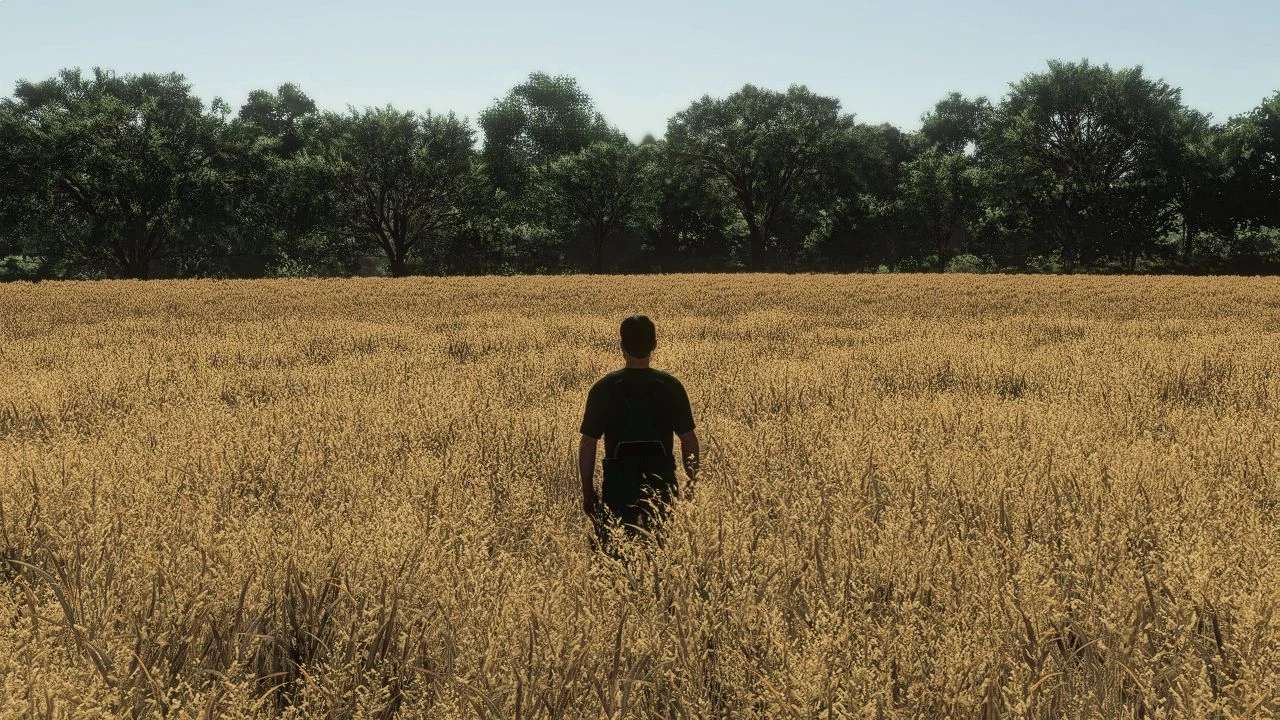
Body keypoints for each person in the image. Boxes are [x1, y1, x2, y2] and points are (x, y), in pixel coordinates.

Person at [579, 315, 699, 541]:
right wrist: (692, 483)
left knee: (617, 548)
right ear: (654, 344)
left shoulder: (604, 388)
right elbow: (688, 439)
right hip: (661, 479)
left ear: (621, 346)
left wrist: (587, 489)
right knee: (661, 546)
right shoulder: (671, 386)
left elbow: (588, 442)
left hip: (618, 482)